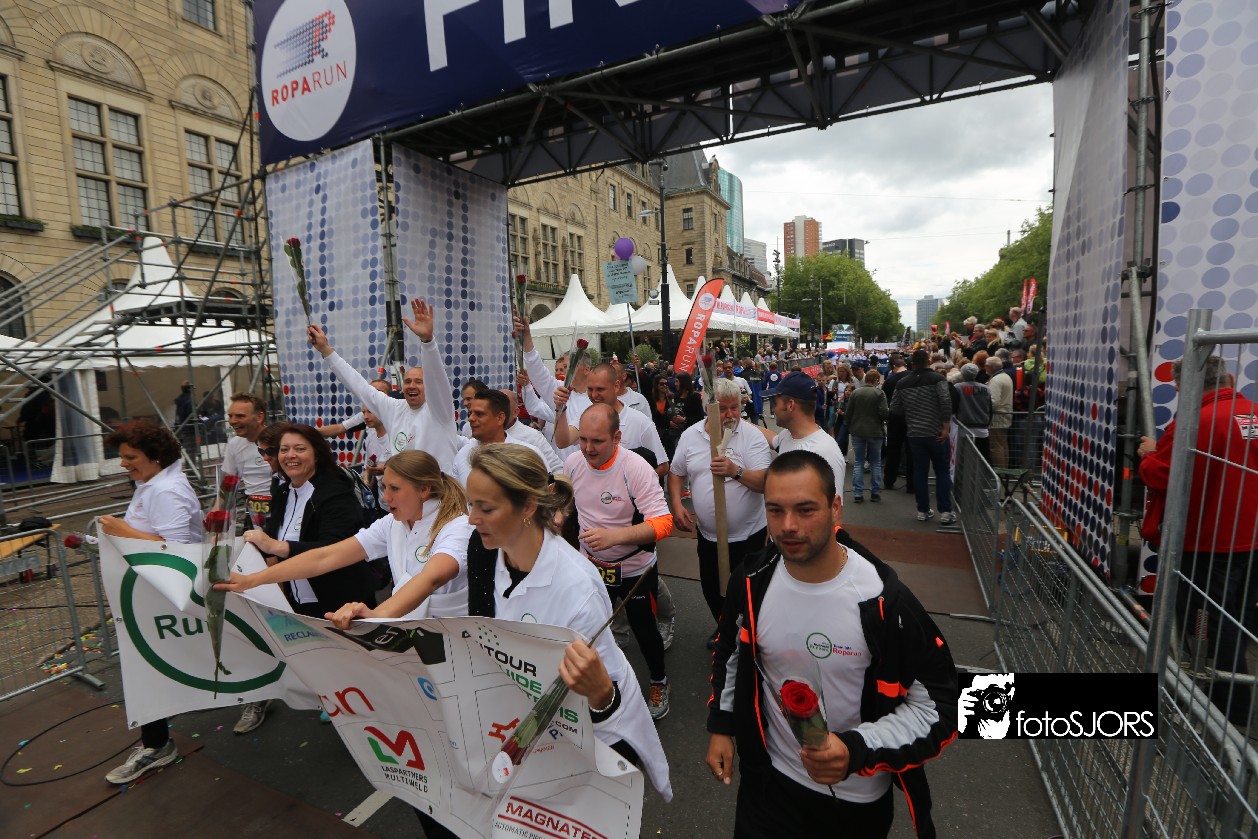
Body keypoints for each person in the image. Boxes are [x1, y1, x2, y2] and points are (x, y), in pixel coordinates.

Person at [706, 451, 958, 838]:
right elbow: (731, 651)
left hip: (854, 804)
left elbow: (939, 705)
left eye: (806, 510)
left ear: (835, 508)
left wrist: (855, 749)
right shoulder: (752, 580)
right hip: (768, 785)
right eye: (775, 511)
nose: (788, 526)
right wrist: (722, 725)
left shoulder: (884, 602)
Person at [463, 443, 671, 794]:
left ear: (528, 506)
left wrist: (600, 697)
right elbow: (482, 625)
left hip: (582, 737)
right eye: (471, 505)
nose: (472, 518)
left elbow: (600, 698)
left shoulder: (577, 589)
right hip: (516, 719)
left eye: (486, 508)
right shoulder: (483, 549)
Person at [1138, 355, 1258, 726]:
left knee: (1207, 626)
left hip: (1209, 541)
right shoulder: (1252, 414)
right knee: (1237, 619)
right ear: (1229, 378)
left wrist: (1149, 455)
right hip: (1249, 538)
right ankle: (1228, 702)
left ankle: (1227, 711)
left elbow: (1163, 475)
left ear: (1184, 385)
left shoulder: (1195, 421)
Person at [218, 450, 474, 621]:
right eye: (384, 487)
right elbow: (326, 557)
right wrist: (252, 580)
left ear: (424, 490)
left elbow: (430, 578)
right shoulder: (392, 523)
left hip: (456, 642)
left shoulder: (458, 527)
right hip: (409, 632)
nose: (385, 497)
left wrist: (376, 616)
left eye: (395, 489)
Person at [99, 421, 202, 784]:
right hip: (152, 593)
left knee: (147, 664)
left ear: (155, 457)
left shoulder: (165, 490)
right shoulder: (154, 485)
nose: (123, 463)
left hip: (164, 595)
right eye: (122, 457)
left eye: (131, 457)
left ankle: (157, 745)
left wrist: (122, 531)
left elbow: (177, 550)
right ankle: (155, 741)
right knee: (155, 664)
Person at [566, 404, 674, 720]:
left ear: (617, 437)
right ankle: (600, 685)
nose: (588, 448)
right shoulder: (573, 463)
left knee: (644, 629)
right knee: (591, 628)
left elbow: (663, 522)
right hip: (591, 567)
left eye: (597, 441)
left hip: (634, 568)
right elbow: (568, 502)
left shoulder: (635, 468)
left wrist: (614, 537)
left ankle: (659, 681)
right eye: (583, 439)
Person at [241, 423, 378, 618]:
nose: (290, 455)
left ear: (317, 454)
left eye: (300, 449)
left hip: (343, 606)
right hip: (300, 606)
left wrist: (278, 547)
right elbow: (270, 539)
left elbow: (337, 549)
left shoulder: (336, 492)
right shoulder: (283, 491)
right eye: (284, 449)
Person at [309, 298, 462, 472]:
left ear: (429, 387)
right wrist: (326, 350)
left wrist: (428, 342)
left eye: (419, 382)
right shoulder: (394, 408)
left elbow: (436, 377)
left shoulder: (440, 409)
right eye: (407, 381)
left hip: (440, 489)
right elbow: (359, 386)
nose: (411, 386)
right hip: (403, 488)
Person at [668, 379, 770, 631]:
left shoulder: (752, 436)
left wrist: (736, 471)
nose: (730, 414)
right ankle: (725, 630)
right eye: (722, 409)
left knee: (748, 593)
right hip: (708, 537)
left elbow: (764, 482)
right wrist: (677, 503)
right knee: (712, 589)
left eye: (734, 407)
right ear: (708, 408)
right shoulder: (691, 436)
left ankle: (746, 638)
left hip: (748, 537)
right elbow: (676, 472)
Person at [218, 393, 278, 734]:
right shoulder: (234, 446)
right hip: (254, 528)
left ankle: (322, 685)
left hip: (287, 528)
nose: (233, 421)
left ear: (259, 416)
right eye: (231, 416)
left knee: (296, 602)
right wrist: (217, 523)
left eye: (240, 416)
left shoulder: (281, 440)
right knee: (256, 604)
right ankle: (259, 694)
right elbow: (227, 489)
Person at [555, 363, 670, 476]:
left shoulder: (641, 422)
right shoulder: (586, 416)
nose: (594, 395)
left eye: (600, 389)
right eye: (590, 389)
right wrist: (560, 407)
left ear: (616, 386)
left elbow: (663, 466)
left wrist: (636, 485)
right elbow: (562, 442)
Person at [890, 349, 954, 524]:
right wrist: (946, 426)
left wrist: (910, 416)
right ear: (928, 362)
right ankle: (945, 511)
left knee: (920, 472)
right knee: (942, 471)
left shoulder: (902, 383)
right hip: (936, 432)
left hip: (915, 433)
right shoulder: (938, 379)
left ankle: (922, 510)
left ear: (912, 364)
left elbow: (894, 407)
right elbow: (945, 401)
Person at [760, 371, 847, 498]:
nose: (773, 409)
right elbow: (772, 439)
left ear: (790, 405)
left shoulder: (824, 452)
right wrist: (739, 421)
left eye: (776, 403)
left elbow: (833, 507)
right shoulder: (788, 435)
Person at [451, 389, 552, 486]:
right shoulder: (463, 454)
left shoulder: (529, 455)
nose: (471, 418)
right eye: (470, 413)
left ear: (500, 417)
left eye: (479, 414)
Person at [845, 369, 888, 503]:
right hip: (875, 431)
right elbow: (884, 413)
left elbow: (848, 413)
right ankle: (874, 492)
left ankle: (858, 493)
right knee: (875, 462)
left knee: (859, 461)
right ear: (876, 380)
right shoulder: (879, 393)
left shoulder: (856, 393)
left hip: (857, 430)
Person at [882, 354, 913, 492]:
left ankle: (889, 481)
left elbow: (884, 400)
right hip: (911, 417)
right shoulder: (913, 377)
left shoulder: (890, 380)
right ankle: (911, 484)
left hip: (894, 418)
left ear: (894, 367)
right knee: (911, 451)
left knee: (893, 450)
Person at [951, 363, 992, 463]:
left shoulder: (957, 387)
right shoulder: (986, 389)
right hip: (982, 428)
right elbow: (990, 408)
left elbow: (953, 407)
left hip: (963, 428)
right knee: (983, 460)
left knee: (963, 460)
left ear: (962, 374)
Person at [985, 356, 1013, 468]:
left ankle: (1000, 473)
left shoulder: (996, 380)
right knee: (1002, 445)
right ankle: (1004, 471)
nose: (985, 368)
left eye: (986, 366)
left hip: (997, 417)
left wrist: (983, 410)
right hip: (1004, 415)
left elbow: (993, 402)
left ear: (990, 367)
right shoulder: (1005, 376)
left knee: (996, 447)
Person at [649, 375, 685, 458]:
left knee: (671, 455)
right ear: (656, 385)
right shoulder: (651, 399)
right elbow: (652, 416)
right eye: (662, 384)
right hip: (657, 431)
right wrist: (668, 423)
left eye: (666, 384)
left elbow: (676, 412)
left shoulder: (672, 397)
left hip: (670, 433)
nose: (664, 386)